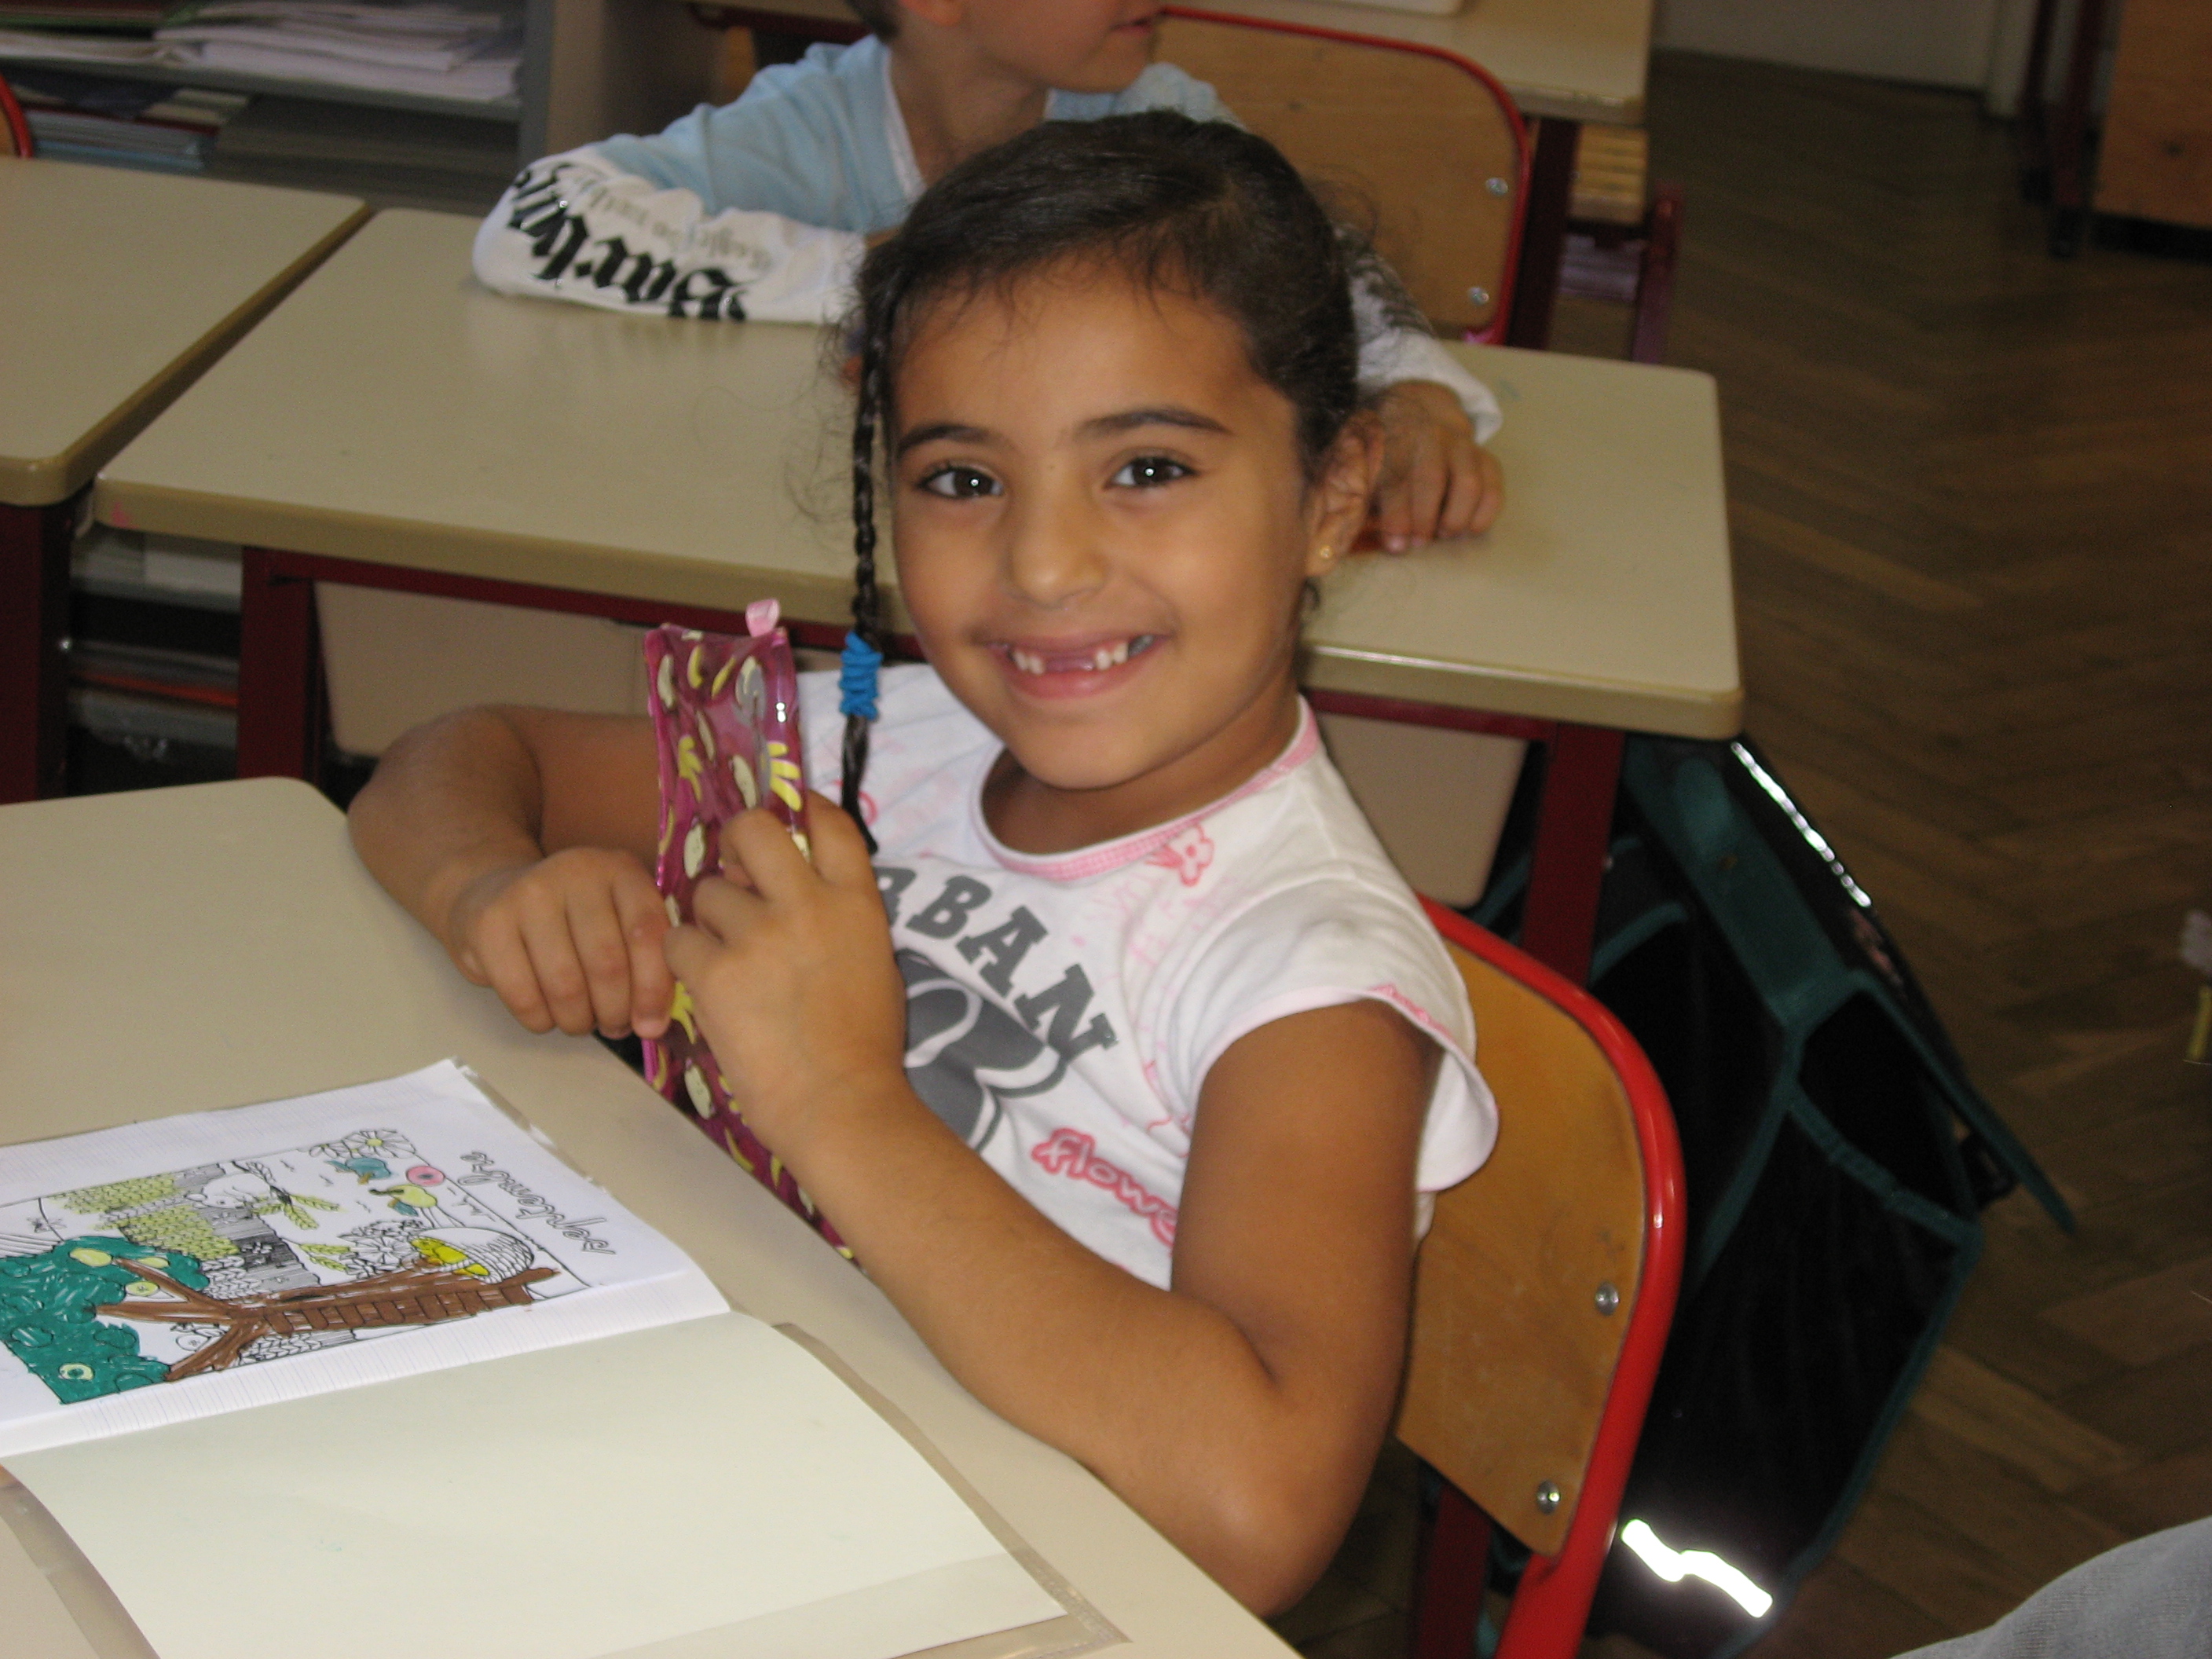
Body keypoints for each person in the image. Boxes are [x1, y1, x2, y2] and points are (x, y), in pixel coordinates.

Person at [355, 112, 1496, 1613]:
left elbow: (1254, 1509)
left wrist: (840, 1101)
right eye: (963, 481)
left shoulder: (1307, 983)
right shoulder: (890, 745)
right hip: (738, 1456)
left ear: (1332, 499)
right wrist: (495, 891)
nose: (1042, 565)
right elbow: (460, 754)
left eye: (1147, 467)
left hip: (1005, 1593)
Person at [471, 0, 1503, 551]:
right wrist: (878, 272)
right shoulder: (807, 127)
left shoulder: (1156, 117)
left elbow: (1316, 261)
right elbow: (538, 217)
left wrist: (1417, 389)